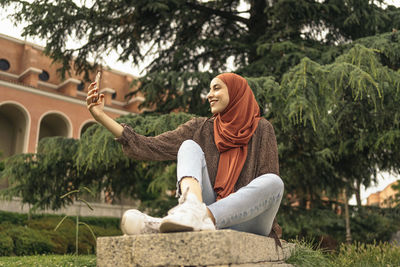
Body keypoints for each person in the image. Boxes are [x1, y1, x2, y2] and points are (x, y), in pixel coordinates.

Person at [86, 72, 284, 238]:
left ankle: (172, 222)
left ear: (236, 93)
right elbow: (150, 146)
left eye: (217, 88)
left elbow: (264, 191)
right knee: (188, 145)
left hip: (248, 221)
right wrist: (101, 116)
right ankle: (192, 207)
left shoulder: (262, 129)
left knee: (274, 183)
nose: (209, 95)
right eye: (209, 89)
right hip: (207, 211)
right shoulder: (200, 128)